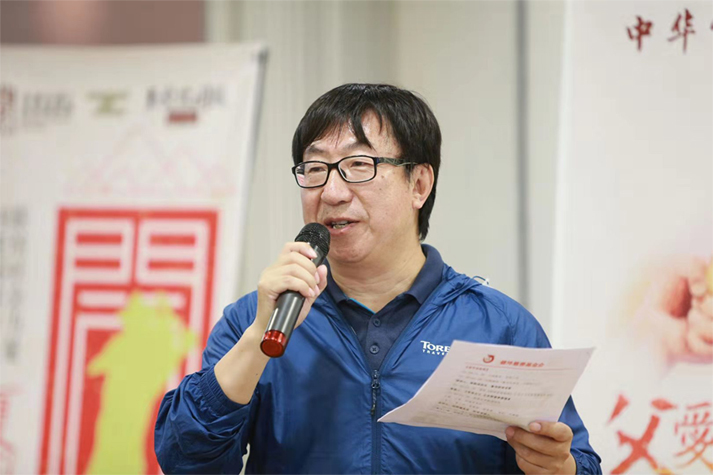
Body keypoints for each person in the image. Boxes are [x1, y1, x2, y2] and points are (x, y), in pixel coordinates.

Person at [154, 83, 602, 474]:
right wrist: (258, 339)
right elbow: (185, 461)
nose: (331, 192)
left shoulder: (498, 326)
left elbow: (577, 462)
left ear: (418, 185)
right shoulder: (256, 321)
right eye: (316, 169)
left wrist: (558, 468)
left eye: (358, 165)